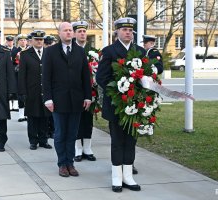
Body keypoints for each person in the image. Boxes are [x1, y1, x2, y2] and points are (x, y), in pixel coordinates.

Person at [96, 17, 146, 192]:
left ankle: (128, 176)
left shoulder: (139, 51)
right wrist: (118, 91)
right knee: (117, 141)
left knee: (131, 140)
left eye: (130, 30)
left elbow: (145, 75)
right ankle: (116, 177)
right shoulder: (109, 51)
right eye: (124, 30)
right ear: (116, 31)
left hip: (135, 104)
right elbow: (101, 77)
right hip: (116, 104)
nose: (128, 32)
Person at [42, 22, 92, 177]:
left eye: (71, 30)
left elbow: (85, 76)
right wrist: (48, 99)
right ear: (59, 33)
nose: (69, 33)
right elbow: (46, 77)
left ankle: (70, 163)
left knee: (72, 134)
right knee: (60, 133)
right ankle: (62, 164)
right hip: (58, 100)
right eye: (66, 30)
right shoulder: (50, 52)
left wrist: (87, 96)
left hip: (76, 100)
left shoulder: (79, 51)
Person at [18, 30, 53, 150]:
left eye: (41, 39)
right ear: (31, 40)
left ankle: (43, 140)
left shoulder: (49, 53)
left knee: (45, 117)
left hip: (46, 91)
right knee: (32, 117)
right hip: (31, 91)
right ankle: (33, 141)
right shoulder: (25, 54)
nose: (39, 41)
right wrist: (22, 92)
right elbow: (22, 75)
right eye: (37, 39)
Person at [72, 21, 96, 162]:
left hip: (90, 91)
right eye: (79, 31)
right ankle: (77, 149)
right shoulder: (71, 49)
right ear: (74, 33)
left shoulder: (92, 51)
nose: (82, 34)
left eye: (84, 31)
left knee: (88, 120)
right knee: (77, 120)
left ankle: (87, 148)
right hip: (75, 91)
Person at [11, 34, 28, 121]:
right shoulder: (14, 51)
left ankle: (27, 114)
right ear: (18, 42)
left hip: (28, 76)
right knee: (20, 95)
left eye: (25, 40)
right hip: (18, 75)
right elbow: (11, 64)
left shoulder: (29, 50)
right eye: (21, 40)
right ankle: (21, 115)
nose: (23, 42)